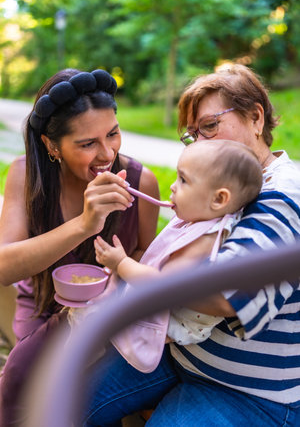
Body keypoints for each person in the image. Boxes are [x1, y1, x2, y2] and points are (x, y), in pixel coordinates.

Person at [79, 64, 300, 427]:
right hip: (182, 355)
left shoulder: (281, 197)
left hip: (247, 392)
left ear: (256, 118)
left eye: (211, 126)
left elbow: (225, 295)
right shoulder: (221, 185)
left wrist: (131, 270)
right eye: (193, 135)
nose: (202, 145)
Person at [0, 68, 160, 425]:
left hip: (112, 321)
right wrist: (85, 225)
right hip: (42, 309)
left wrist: (116, 276)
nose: (107, 153)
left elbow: (146, 256)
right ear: (51, 145)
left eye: (113, 134)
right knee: (31, 386)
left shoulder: (141, 181)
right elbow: (4, 267)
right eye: (87, 143)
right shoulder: (25, 176)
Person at [92, 140, 262, 372]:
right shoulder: (204, 219)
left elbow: (163, 286)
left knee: (92, 320)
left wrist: (120, 263)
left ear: (219, 199)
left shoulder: (205, 239)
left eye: (183, 180)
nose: (173, 187)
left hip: (175, 325)